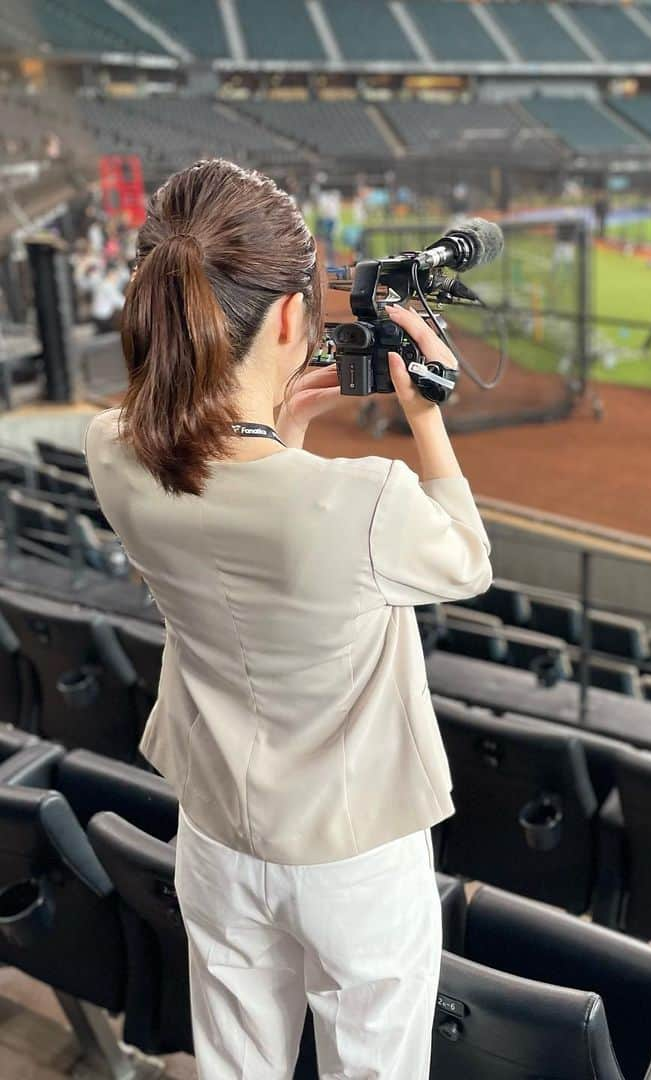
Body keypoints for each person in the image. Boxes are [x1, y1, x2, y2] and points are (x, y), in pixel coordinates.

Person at [83, 160, 492, 1078]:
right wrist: (426, 412)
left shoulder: (110, 451)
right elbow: (466, 560)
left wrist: (280, 430)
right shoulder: (366, 501)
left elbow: (229, 505)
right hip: (354, 855)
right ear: (284, 321)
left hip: (219, 832)